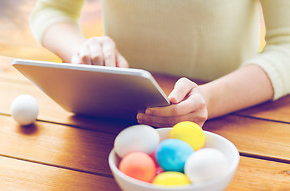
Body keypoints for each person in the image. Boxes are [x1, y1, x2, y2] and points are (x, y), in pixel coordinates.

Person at [29, 0, 290, 127]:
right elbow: (52, 10)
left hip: (228, 125)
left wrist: (209, 100)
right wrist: (82, 50)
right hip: (114, 121)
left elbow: (286, 46)